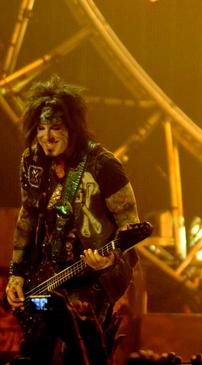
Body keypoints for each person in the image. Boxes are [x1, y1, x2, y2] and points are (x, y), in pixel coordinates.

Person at [3, 75, 140, 364]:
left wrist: (111, 259)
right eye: (40, 128)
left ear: (73, 128)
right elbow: (27, 216)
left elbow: (130, 226)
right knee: (35, 344)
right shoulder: (32, 161)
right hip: (47, 276)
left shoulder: (103, 164)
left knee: (78, 351)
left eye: (56, 128)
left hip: (92, 276)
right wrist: (17, 273)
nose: (47, 137)